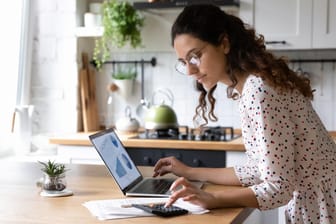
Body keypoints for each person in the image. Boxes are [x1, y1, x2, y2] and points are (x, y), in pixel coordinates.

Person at [152, 4, 336, 224]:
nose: (190, 71)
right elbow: (259, 171)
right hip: (315, 202)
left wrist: (212, 199)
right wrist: (191, 172)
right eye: (184, 63)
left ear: (224, 43)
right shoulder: (251, 86)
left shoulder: (259, 91)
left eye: (195, 56)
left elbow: (278, 188)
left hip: (323, 206)